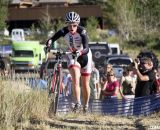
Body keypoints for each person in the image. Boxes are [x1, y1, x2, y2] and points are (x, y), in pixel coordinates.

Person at [45, 11, 93, 113]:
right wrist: (48, 43)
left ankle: (86, 105)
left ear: (78, 24)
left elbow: (87, 48)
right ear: (67, 24)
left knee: (85, 84)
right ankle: (78, 103)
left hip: (85, 55)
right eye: (69, 25)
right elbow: (51, 39)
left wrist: (80, 52)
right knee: (75, 79)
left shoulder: (82, 31)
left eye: (74, 25)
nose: (72, 27)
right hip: (72, 55)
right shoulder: (63, 31)